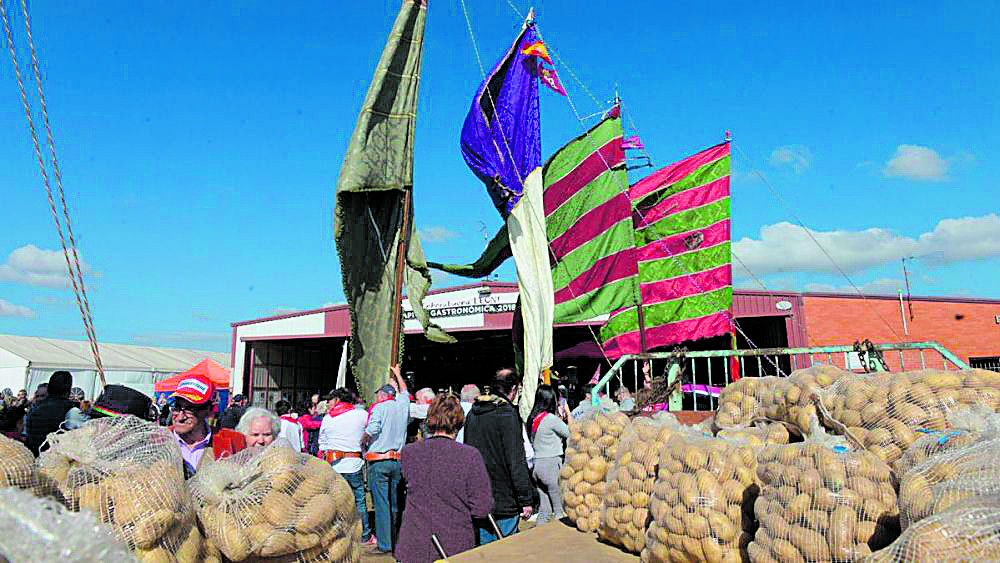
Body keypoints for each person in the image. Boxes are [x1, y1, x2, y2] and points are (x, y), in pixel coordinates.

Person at [395, 394, 493, 562]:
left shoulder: (409, 452)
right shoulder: (469, 456)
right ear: (459, 422)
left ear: (430, 419)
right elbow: (481, 509)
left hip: (413, 544)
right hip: (454, 546)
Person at [463, 368, 534, 544]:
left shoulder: (473, 414)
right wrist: (525, 498)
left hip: (479, 494)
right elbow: (515, 459)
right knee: (505, 549)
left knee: (485, 550)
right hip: (504, 497)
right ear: (514, 389)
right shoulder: (506, 414)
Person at [361, 365, 410, 555]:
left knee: (381, 504)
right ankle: (397, 540)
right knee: (396, 504)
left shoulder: (379, 408)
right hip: (398, 460)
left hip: (379, 461)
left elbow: (372, 430)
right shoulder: (403, 406)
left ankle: (385, 544)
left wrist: (363, 440)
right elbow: (405, 391)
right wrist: (398, 374)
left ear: (382, 395)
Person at [319, 388, 372, 544]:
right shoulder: (362, 415)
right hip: (354, 463)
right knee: (359, 501)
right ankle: (364, 535)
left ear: (337, 400)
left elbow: (322, 442)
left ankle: (336, 535)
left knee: (336, 501)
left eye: (330, 400)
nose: (328, 403)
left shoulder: (328, 418)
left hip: (334, 465)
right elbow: (370, 434)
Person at [168, 373, 246, 477]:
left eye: (190, 409)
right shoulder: (157, 440)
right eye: (177, 407)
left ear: (209, 410)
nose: (180, 417)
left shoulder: (233, 441)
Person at [526, 385, 571, 524]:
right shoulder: (551, 419)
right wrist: (567, 415)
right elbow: (570, 433)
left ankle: (539, 537)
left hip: (537, 467)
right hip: (551, 466)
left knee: (544, 510)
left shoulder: (533, 419)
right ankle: (561, 541)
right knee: (560, 511)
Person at [24, 372, 75, 456]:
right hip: (55, 460)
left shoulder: (33, 411)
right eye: (38, 396)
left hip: (33, 457)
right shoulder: (69, 410)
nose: (39, 399)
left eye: (42, 395)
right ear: (68, 390)